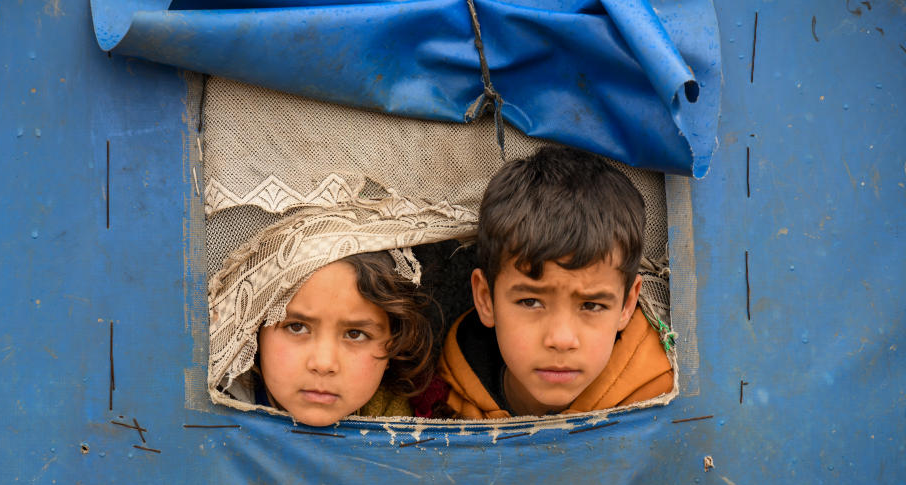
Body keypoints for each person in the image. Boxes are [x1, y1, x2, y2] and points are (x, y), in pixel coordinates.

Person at [437, 147, 674, 419]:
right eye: (530, 301)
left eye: (592, 305)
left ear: (627, 304)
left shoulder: (661, 401)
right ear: (485, 298)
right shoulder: (446, 398)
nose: (561, 340)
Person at [256, 250, 435, 426]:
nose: (324, 364)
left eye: (355, 334)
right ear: (254, 332)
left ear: (394, 344)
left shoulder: (405, 436)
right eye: (297, 327)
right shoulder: (228, 413)